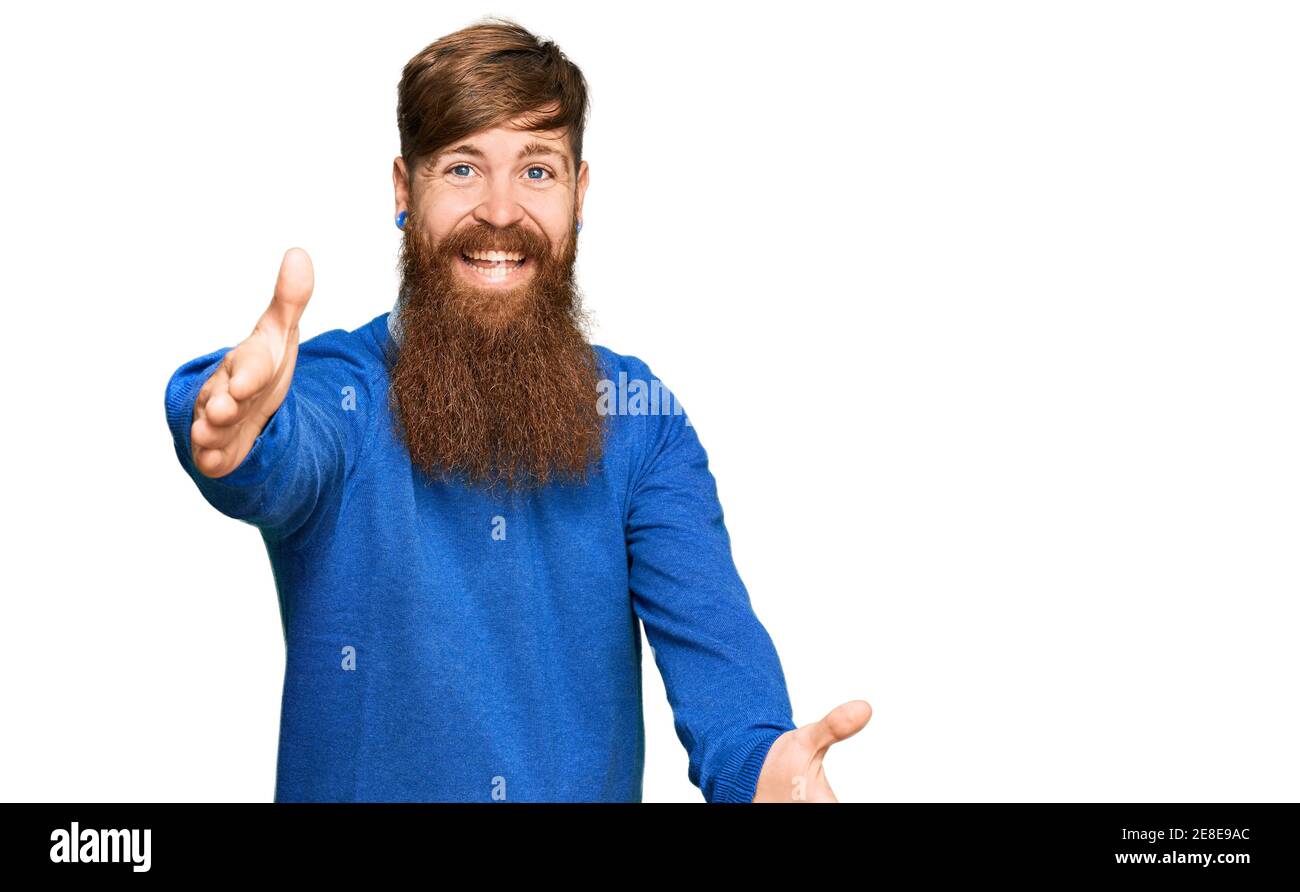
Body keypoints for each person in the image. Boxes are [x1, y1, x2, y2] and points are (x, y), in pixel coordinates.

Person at [163, 15, 870, 802]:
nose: (501, 211)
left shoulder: (640, 422)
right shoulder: (343, 391)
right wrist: (236, 421)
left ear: (580, 193)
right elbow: (282, 443)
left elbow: (722, 672)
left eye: (537, 171)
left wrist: (766, 771)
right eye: (463, 169)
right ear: (405, 189)